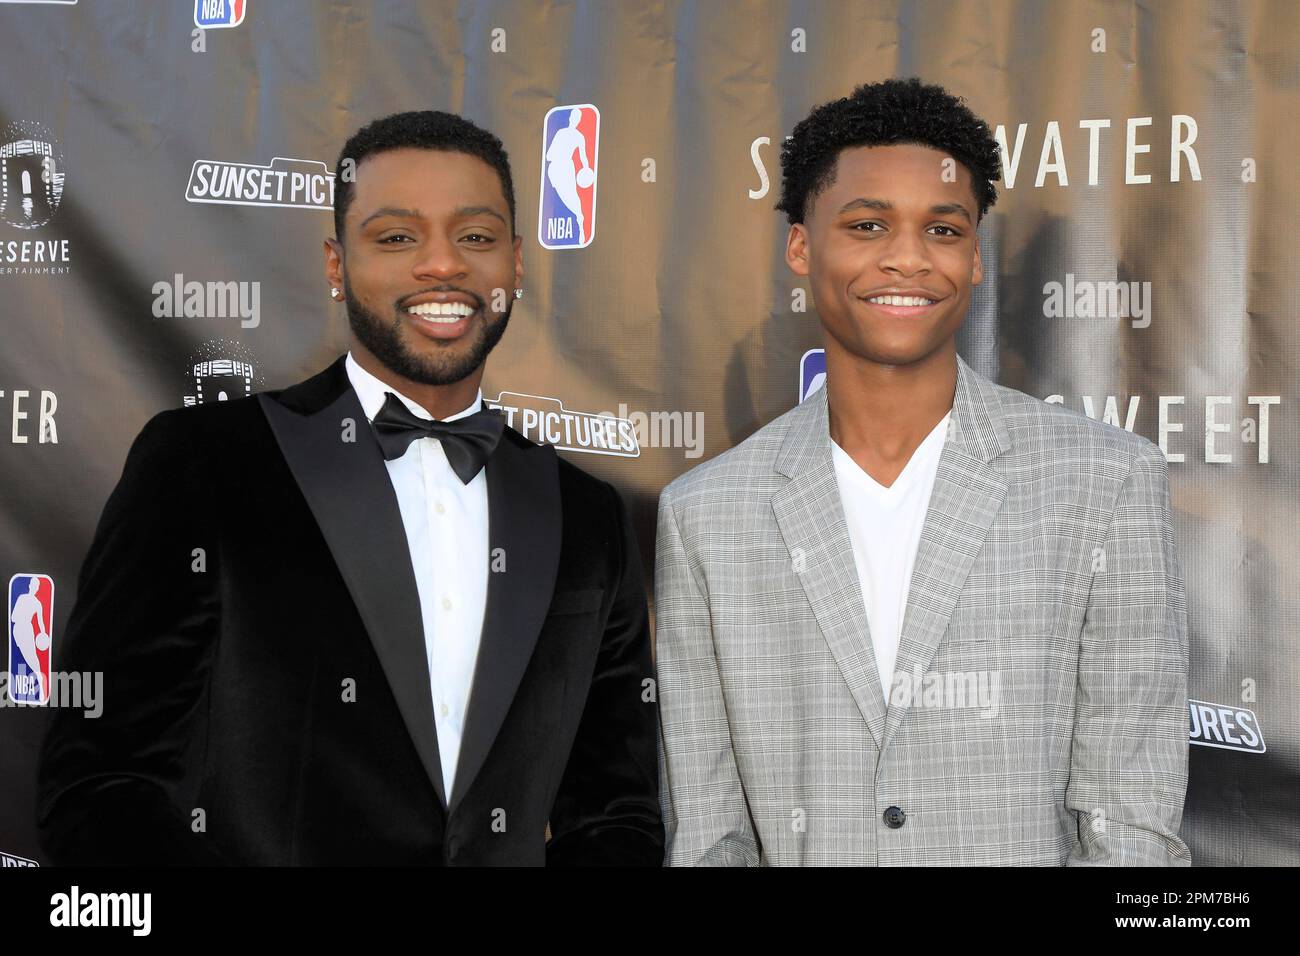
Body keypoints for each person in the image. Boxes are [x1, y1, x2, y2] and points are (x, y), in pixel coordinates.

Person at [37, 110, 663, 866]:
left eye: (475, 236)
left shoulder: (585, 514)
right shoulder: (205, 465)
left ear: (517, 265)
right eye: (397, 237)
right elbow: (106, 784)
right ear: (336, 266)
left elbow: (615, 814)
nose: (443, 266)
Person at [654, 78, 1190, 865]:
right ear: (801, 245)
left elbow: (1131, 826)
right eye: (868, 224)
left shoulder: (1105, 484)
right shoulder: (706, 514)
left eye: (942, 229)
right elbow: (709, 835)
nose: (907, 257)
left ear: (974, 257)